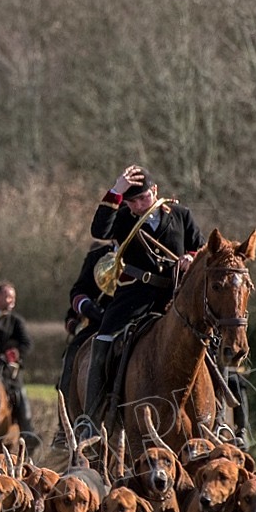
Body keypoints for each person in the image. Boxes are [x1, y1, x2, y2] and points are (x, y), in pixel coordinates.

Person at [72, 163, 206, 415]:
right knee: (103, 340)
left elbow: (199, 246)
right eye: (132, 201)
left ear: (154, 191)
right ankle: (91, 417)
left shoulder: (180, 214)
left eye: (144, 198)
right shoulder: (122, 218)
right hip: (134, 297)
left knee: (209, 338)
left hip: (174, 296)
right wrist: (116, 191)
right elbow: (99, 230)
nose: (139, 206)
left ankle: (219, 416)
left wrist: (191, 257)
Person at [0, 282, 34, 434]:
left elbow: (26, 344)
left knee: (18, 392)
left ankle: (27, 430)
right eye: (9, 297)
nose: (12, 301)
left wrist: (14, 354)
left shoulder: (15, 321)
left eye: (13, 298)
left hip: (4, 368)